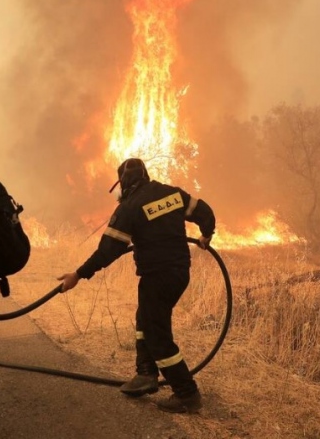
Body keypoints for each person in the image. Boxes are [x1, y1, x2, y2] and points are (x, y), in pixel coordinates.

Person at [57, 157, 216, 414]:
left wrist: (78, 274)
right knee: (145, 318)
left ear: (124, 182)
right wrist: (206, 234)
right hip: (178, 273)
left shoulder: (129, 207)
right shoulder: (171, 194)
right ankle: (146, 373)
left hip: (157, 276)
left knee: (156, 333)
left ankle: (187, 393)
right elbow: (204, 211)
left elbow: (107, 251)